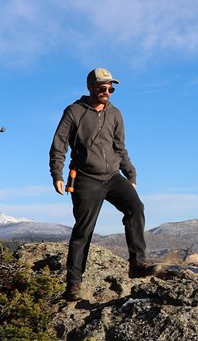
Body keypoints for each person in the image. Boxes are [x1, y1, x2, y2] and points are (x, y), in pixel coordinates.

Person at [49, 67, 157, 300]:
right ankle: (74, 284)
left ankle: (137, 263)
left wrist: (131, 175)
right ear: (91, 87)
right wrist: (56, 174)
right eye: (102, 88)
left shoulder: (115, 114)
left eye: (110, 88)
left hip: (113, 177)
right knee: (83, 230)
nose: (107, 92)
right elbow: (59, 145)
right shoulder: (73, 111)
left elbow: (120, 148)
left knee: (135, 208)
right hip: (86, 178)